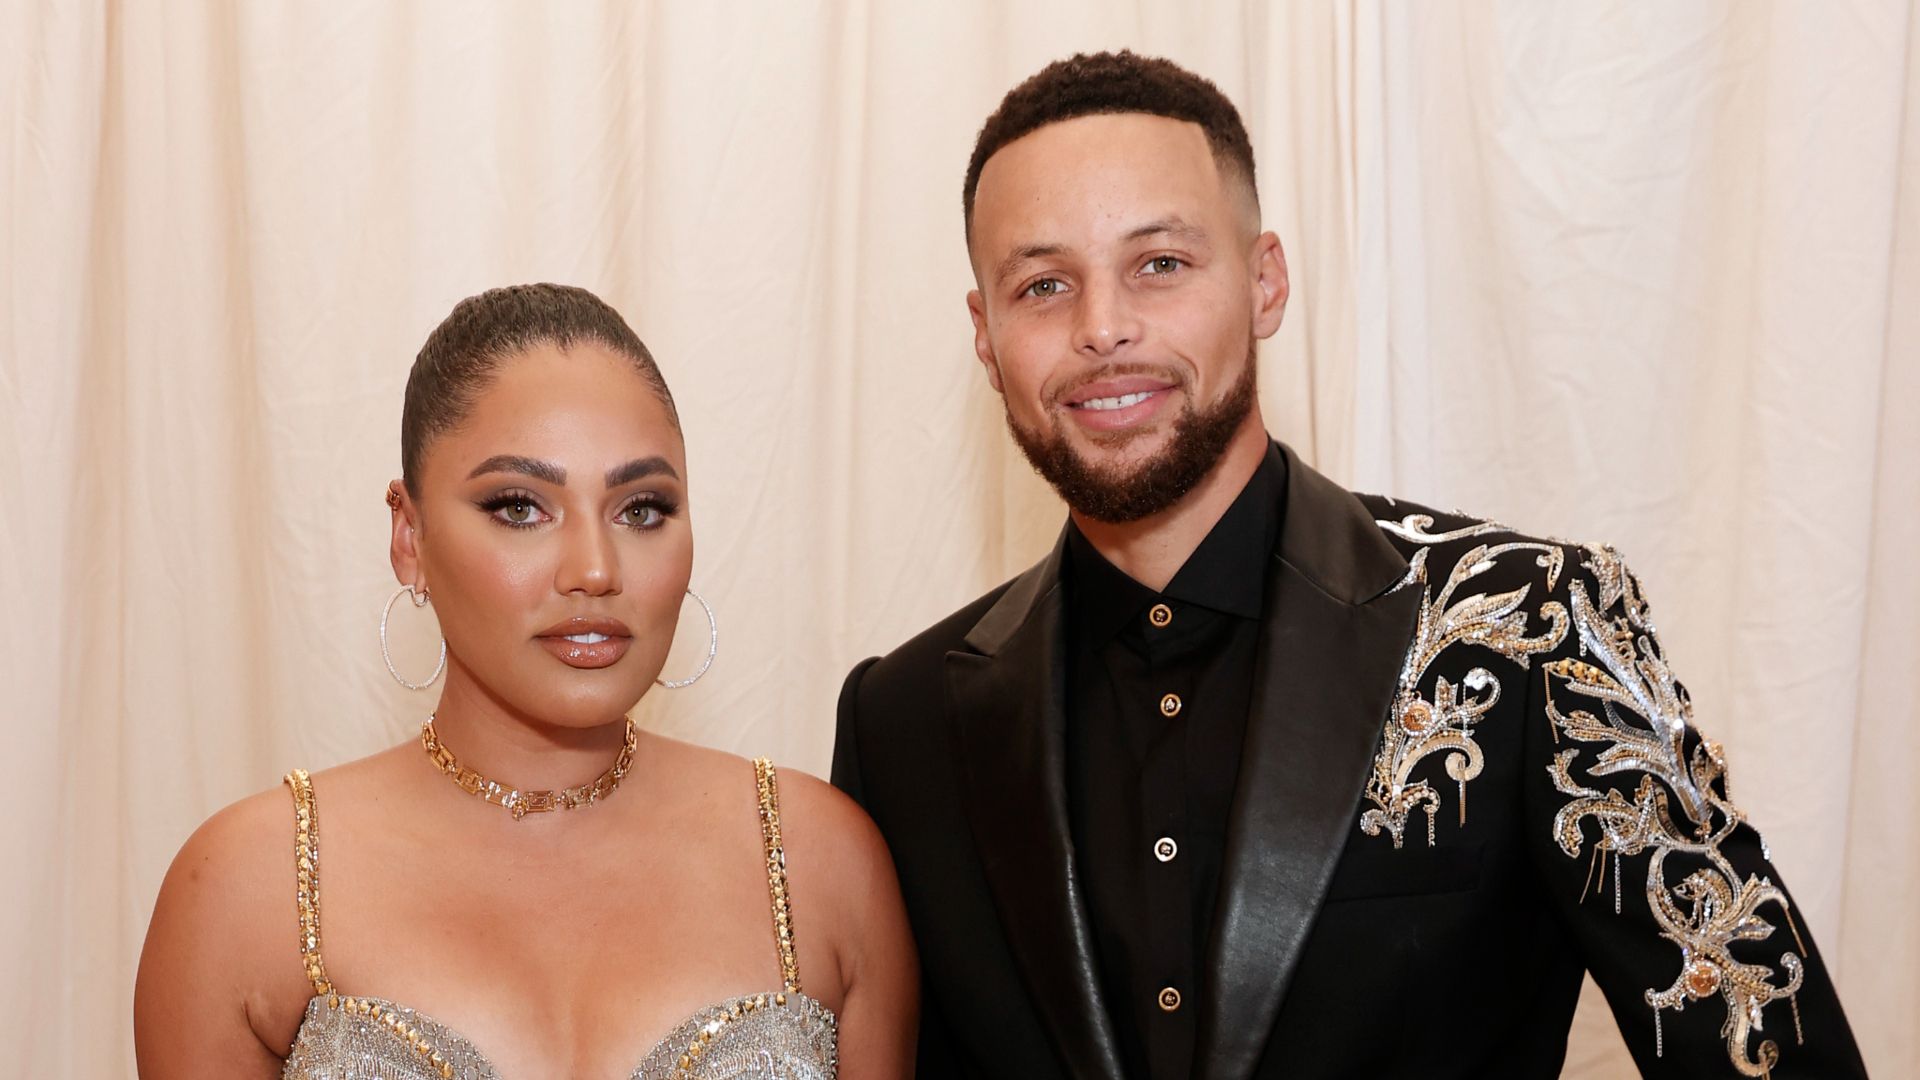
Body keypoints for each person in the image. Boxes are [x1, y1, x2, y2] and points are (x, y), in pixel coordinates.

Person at [831, 51, 1865, 1079]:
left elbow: (1767, 1045)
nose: (1103, 328)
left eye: (1161, 264)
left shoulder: (1530, 628)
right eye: (1043, 284)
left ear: (1266, 282)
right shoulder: (904, 721)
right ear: (985, 332)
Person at [136, 284, 917, 1078]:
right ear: (409, 537)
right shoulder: (248, 887)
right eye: (519, 507)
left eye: (641, 509)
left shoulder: (820, 861)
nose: (594, 569)